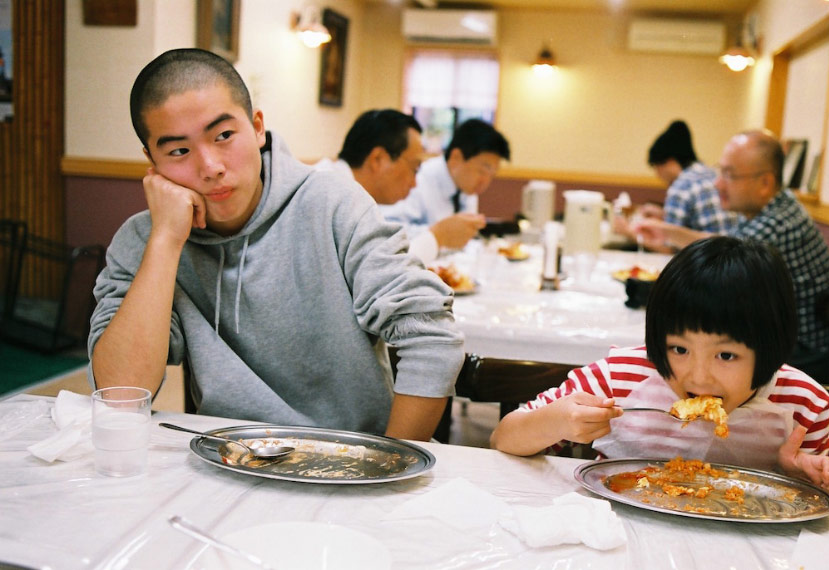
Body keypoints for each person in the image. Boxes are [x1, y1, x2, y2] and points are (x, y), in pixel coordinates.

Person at [87, 48, 465, 441]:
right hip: (226, 458)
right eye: (179, 151)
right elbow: (119, 394)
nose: (211, 167)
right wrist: (166, 240)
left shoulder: (334, 205)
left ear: (257, 128)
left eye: (224, 136)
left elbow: (431, 338)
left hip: (351, 456)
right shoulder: (145, 240)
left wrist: (389, 461)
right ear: (152, 160)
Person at [491, 236, 829, 495]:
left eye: (725, 355)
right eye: (678, 348)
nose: (698, 376)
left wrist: (799, 478)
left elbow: (807, 503)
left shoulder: (804, 404)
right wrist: (558, 421)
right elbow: (503, 438)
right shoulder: (618, 378)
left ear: (772, 348)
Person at [634, 129, 829, 382]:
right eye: (720, 171)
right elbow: (724, 244)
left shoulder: (776, 224)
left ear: (765, 183)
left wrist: (667, 239)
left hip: (797, 355)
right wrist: (668, 232)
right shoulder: (772, 207)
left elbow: (724, 266)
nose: (718, 184)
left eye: (729, 175)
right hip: (777, 340)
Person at [314, 109, 437, 264]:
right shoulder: (331, 195)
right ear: (378, 159)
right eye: (414, 168)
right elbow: (379, 268)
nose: (414, 184)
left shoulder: (352, 193)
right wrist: (436, 238)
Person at [380, 118, 511, 252]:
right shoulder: (418, 180)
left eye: (492, 175)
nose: (485, 182)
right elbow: (388, 233)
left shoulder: (467, 190)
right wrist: (439, 234)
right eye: (482, 171)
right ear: (456, 157)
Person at [614, 120, 740, 245]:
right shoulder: (712, 174)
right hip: (733, 251)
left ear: (669, 161)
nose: (658, 175)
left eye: (656, 167)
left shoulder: (681, 186)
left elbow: (670, 248)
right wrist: (663, 215)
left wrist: (628, 232)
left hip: (708, 255)